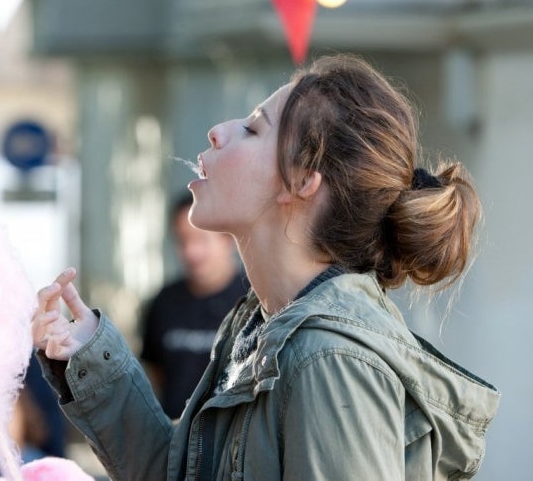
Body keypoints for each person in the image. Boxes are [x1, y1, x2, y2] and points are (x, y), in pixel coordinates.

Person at [31, 54, 500, 480]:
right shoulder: (258, 328)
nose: (218, 131)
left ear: (301, 181)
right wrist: (89, 352)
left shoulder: (330, 358)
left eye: (254, 129)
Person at [140, 191, 248, 418]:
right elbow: (153, 374)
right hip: (174, 439)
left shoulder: (254, 301)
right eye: (182, 241)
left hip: (233, 445)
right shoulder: (164, 301)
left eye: (201, 240)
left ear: (228, 239)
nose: (191, 252)